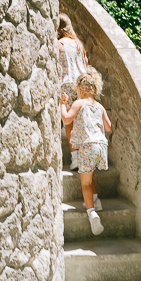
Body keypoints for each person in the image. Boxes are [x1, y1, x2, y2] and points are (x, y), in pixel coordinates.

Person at [61, 67, 111, 237]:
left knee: (85, 184)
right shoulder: (99, 106)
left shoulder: (78, 103)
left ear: (80, 89)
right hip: (101, 147)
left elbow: (67, 118)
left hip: (87, 146)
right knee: (89, 175)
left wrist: (62, 105)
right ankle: (96, 201)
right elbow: (108, 127)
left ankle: (92, 213)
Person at [58, 13, 88, 171]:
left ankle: (75, 157)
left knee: (68, 123)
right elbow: (86, 62)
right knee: (80, 121)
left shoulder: (59, 44)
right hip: (81, 84)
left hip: (67, 83)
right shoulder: (78, 44)